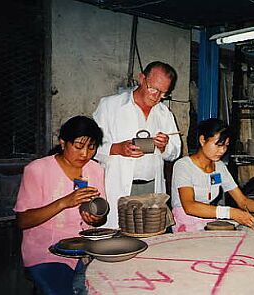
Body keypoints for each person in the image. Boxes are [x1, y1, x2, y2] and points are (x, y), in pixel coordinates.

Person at [14, 116, 106, 294]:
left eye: (91, 147)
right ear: (63, 143)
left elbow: (99, 219)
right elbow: (22, 221)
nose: (85, 154)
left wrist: (96, 219)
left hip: (84, 251)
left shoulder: (96, 169)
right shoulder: (38, 169)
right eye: (79, 146)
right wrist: (65, 202)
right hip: (46, 252)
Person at [93, 61, 181, 228]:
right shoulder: (110, 106)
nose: (156, 97)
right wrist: (117, 148)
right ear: (142, 78)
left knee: (149, 236)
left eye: (163, 93)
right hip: (119, 186)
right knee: (117, 236)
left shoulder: (164, 114)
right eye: (153, 89)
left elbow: (175, 152)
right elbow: (91, 147)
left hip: (151, 187)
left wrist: (164, 147)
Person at [171, 118, 254, 232]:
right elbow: (189, 206)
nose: (222, 151)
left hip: (208, 222)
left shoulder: (219, 166)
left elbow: (242, 201)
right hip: (185, 226)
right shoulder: (183, 166)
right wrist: (231, 212)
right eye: (218, 145)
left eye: (225, 145)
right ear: (202, 140)